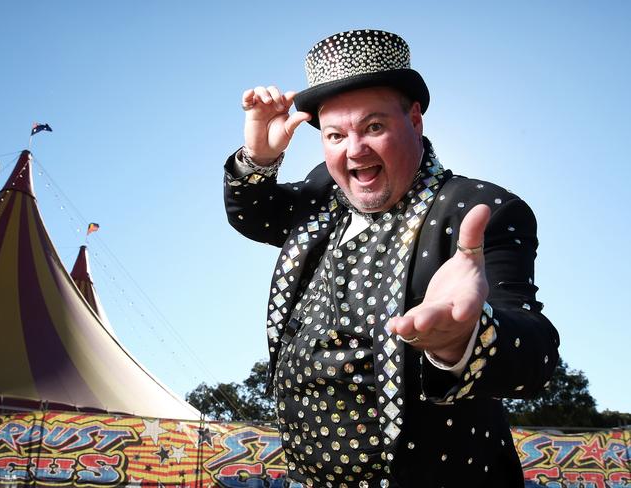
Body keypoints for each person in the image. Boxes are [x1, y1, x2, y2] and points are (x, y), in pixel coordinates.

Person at [224, 29, 559, 488]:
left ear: (415, 120)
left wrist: (466, 339)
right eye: (335, 135)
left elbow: (537, 357)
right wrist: (259, 156)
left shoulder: (481, 210)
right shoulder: (325, 190)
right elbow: (257, 217)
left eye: (374, 127)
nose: (354, 150)